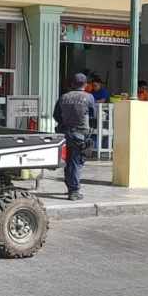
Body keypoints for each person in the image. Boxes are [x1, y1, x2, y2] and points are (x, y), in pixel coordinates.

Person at [54, 73, 96, 201]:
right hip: (80, 134)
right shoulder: (89, 97)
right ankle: (74, 191)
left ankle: (70, 188)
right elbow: (93, 114)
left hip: (65, 133)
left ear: (72, 84)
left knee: (68, 162)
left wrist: (65, 122)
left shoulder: (64, 97)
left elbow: (56, 115)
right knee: (76, 163)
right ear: (85, 85)